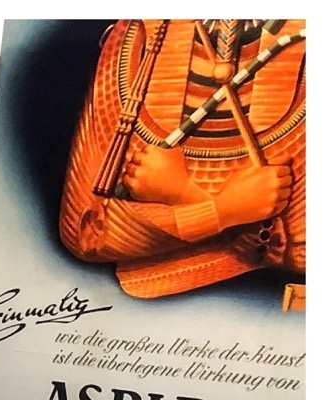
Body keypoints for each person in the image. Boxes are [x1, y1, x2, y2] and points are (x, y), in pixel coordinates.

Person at [58, 20, 304, 301]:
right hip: (141, 303)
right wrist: (226, 210)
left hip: (268, 303)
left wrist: (186, 197)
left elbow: (302, 253)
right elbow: (88, 235)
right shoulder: (140, 35)